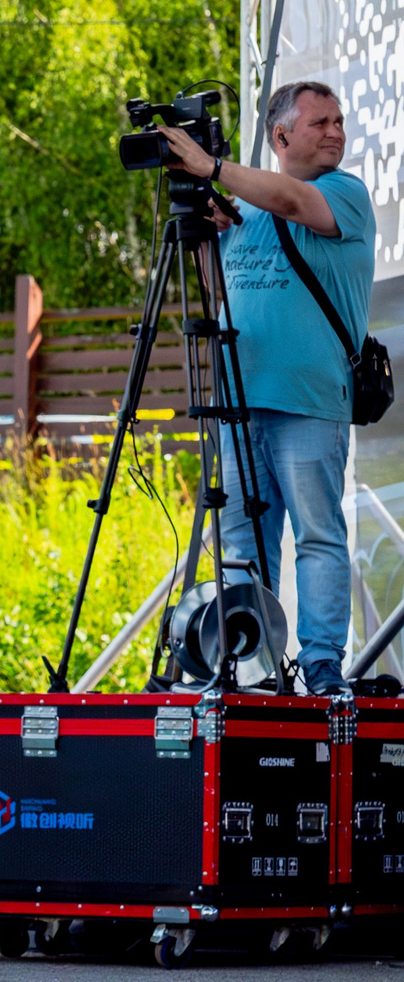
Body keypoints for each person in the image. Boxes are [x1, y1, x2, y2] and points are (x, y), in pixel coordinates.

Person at [164, 81, 377, 696]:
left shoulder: (344, 193)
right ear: (281, 136)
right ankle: (252, 665)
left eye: (338, 120)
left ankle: (320, 664)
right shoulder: (245, 210)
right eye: (321, 123)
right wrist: (210, 235)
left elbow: (288, 198)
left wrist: (209, 167)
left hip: (309, 400)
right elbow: (221, 291)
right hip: (238, 400)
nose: (336, 131)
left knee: (316, 531)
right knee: (241, 540)